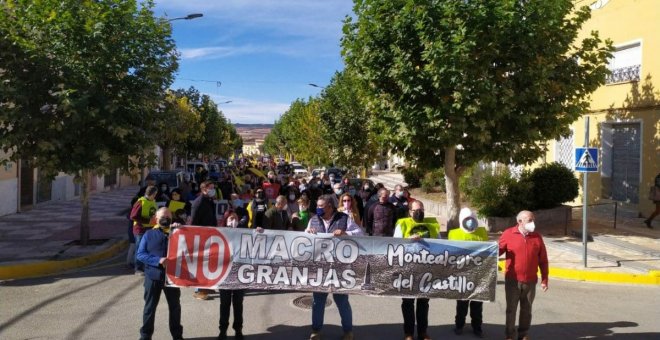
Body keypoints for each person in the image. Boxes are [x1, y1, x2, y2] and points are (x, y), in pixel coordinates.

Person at [305, 195, 354, 340]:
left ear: (330, 207)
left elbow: (360, 233)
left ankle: (348, 332)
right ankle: (316, 331)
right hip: (320, 268)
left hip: (339, 268)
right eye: (317, 206)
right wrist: (308, 233)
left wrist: (346, 233)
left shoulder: (344, 218)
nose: (318, 208)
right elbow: (303, 238)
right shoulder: (313, 220)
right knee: (318, 302)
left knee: (342, 302)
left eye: (321, 206)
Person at [393, 200, 440, 340]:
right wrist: (409, 240)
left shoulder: (432, 225)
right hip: (407, 269)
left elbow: (441, 244)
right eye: (416, 210)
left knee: (423, 302)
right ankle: (408, 333)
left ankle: (423, 332)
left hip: (426, 269)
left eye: (421, 209)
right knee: (408, 302)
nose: (419, 212)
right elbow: (396, 245)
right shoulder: (402, 224)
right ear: (410, 212)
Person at [499, 210, 549, 340]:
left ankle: (523, 335)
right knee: (511, 309)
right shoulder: (508, 234)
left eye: (533, 220)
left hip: (530, 281)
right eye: (530, 220)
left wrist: (545, 279)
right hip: (512, 280)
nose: (533, 223)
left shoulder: (537, 237)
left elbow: (543, 260)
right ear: (520, 222)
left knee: (526, 310)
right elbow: (497, 251)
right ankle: (509, 335)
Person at [136, 207, 184, 340]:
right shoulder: (148, 234)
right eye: (163, 216)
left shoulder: (177, 233)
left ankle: (177, 335)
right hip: (153, 277)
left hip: (172, 278)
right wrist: (158, 260)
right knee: (149, 308)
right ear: (156, 219)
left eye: (169, 216)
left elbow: (190, 247)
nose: (166, 218)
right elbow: (140, 254)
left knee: (175, 308)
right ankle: (145, 336)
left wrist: (181, 230)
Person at [448, 208, 489, 338]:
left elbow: (488, 251)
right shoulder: (454, 234)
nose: (470, 222)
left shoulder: (482, 232)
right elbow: (449, 254)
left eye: (472, 219)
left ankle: (477, 327)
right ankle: (459, 325)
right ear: (461, 220)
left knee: (477, 304)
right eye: (467, 219)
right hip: (462, 275)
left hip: (478, 274)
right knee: (462, 304)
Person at [218, 212, 246, 340]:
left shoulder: (244, 232)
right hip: (224, 274)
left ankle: (238, 330)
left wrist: (259, 231)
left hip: (239, 274)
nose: (233, 220)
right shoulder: (220, 232)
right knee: (224, 304)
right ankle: (223, 331)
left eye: (235, 218)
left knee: (238, 304)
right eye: (231, 218)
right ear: (226, 220)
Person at [190, 180, 219, 301]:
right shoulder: (199, 202)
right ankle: (199, 290)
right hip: (202, 237)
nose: (213, 190)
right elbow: (194, 221)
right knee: (201, 263)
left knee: (208, 262)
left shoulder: (209, 200)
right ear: (204, 190)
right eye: (210, 188)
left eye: (213, 187)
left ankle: (205, 286)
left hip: (210, 235)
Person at [130, 186, 159, 274]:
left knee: (148, 248)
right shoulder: (140, 202)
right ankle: (138, 268)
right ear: (152, 194)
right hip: (140, 229)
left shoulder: (153, 201)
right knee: (140, 249)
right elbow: (133, 216)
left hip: (150, 228)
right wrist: (147, 220)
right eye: (155, 194)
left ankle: (145, 266)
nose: (155, 196)